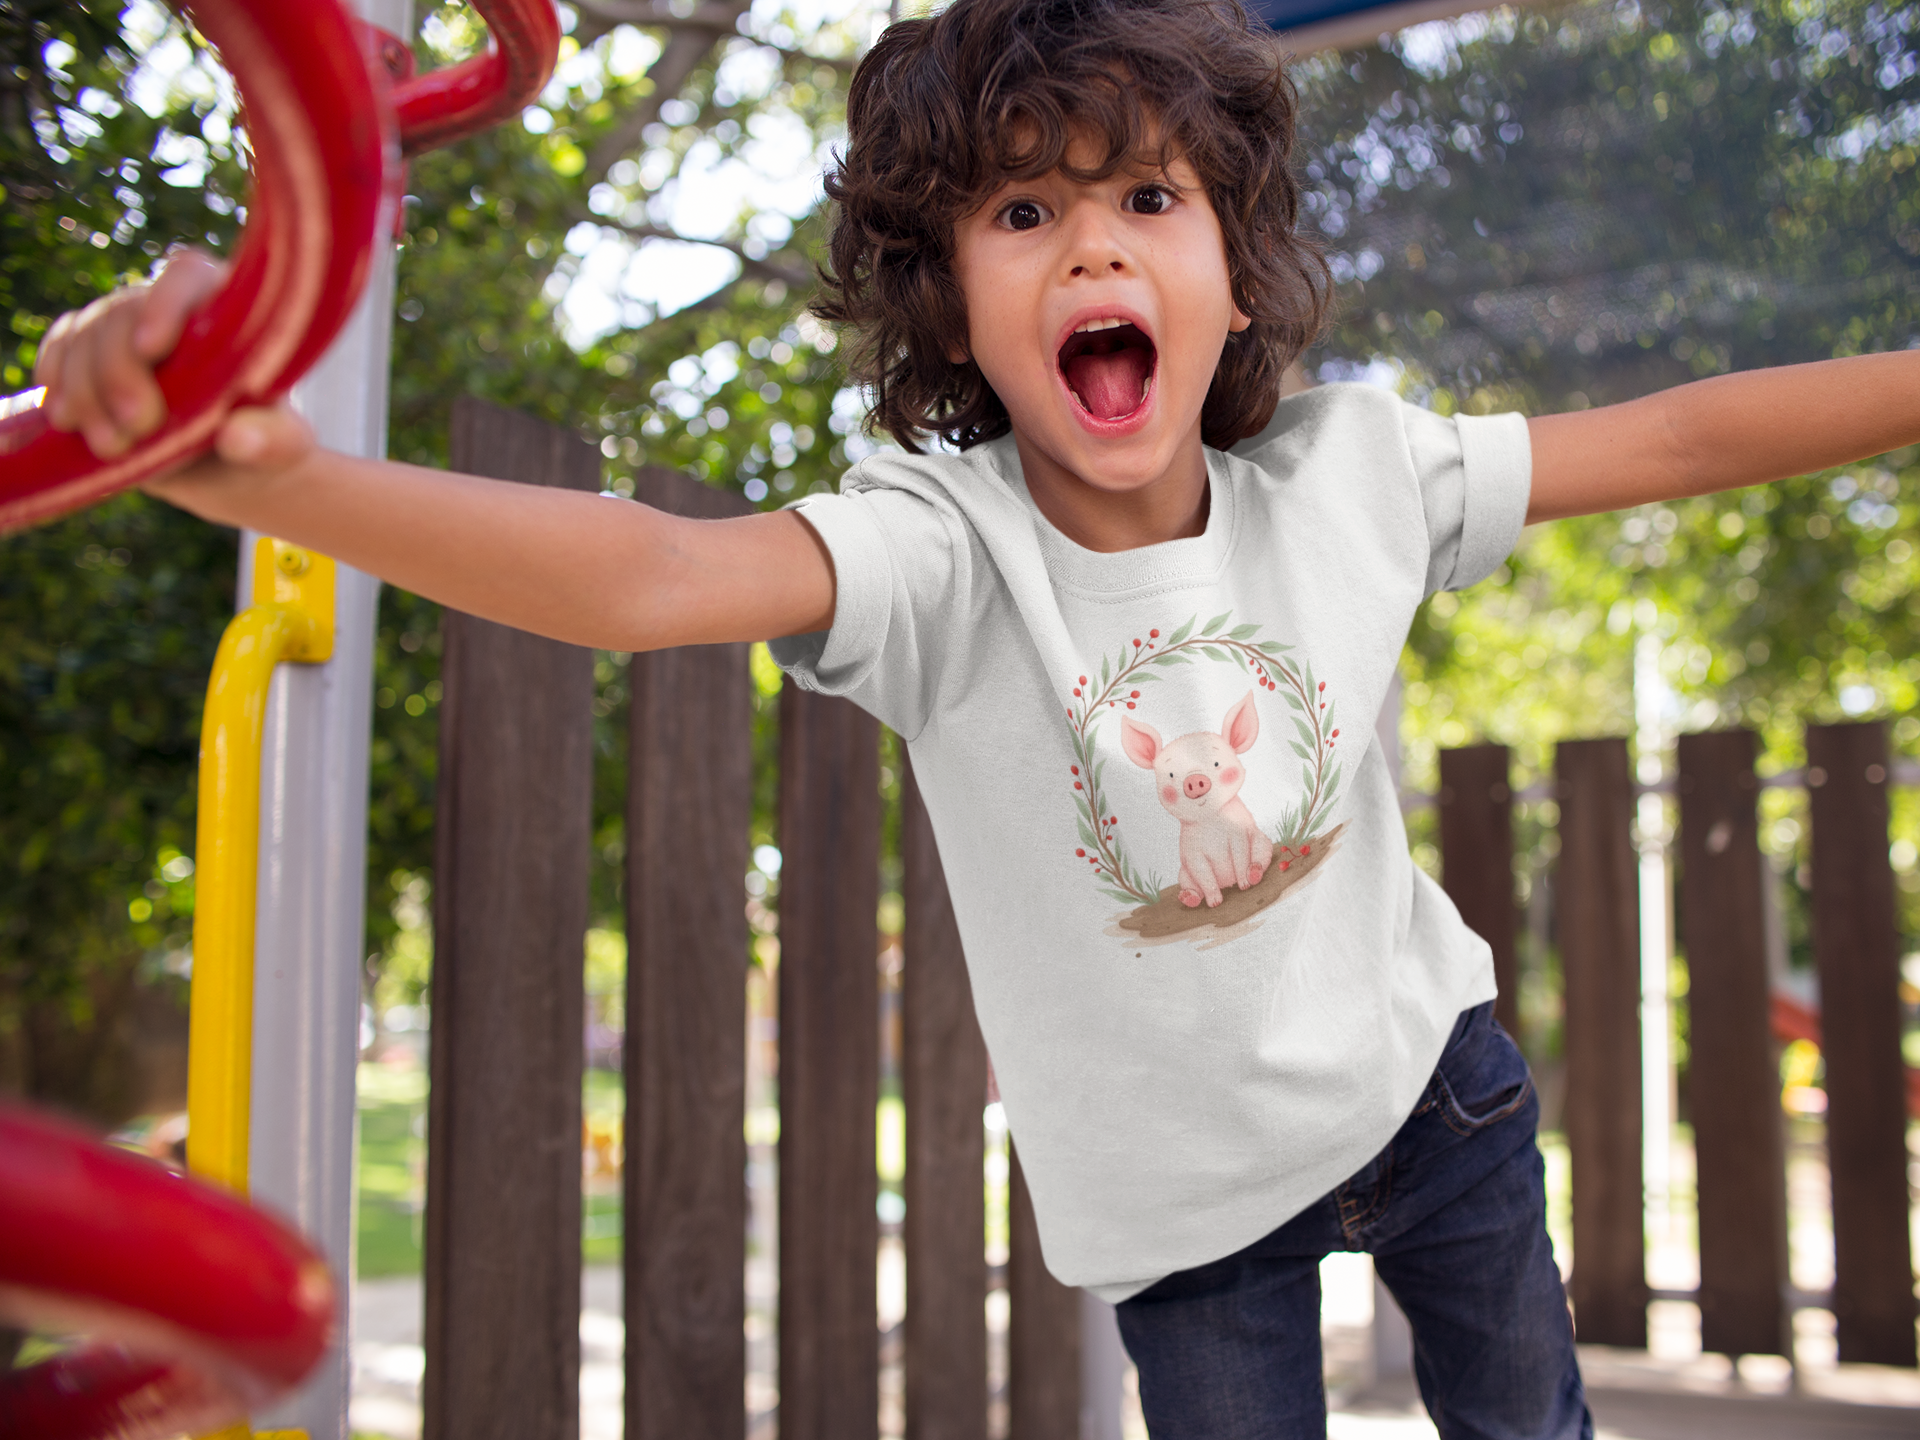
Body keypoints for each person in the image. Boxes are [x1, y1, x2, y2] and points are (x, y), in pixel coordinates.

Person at [33, 0, 1920, 1432]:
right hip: (1191, 1221)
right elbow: (646, 578)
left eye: (1148, 200)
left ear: (1229, 273)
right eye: (1028, 209)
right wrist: (266, 478)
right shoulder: (940, 555)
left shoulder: (1358, 473)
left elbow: (1677, 434)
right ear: (950, 310)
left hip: (1435, 1100)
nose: (1096, 250)